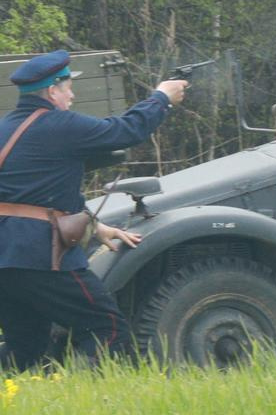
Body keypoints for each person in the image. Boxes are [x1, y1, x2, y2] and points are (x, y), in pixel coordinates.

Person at [0, 52, 187, 368]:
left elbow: (36, 194)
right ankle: (102, 400)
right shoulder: (61, 125)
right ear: (52, 90)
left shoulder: (5, 128)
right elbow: (127, 130)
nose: (72, 95)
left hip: (6, 260)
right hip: (40, 256)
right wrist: (162, 97)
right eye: (69, 87)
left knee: (25, 346)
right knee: (109, 328)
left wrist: (97, 228)